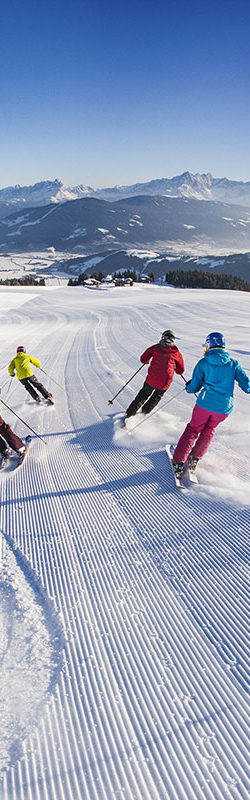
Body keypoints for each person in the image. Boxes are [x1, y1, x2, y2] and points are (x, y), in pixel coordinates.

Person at [172, 331, 250, 477]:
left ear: (209, 345)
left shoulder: (204, 363)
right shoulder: (233, 363)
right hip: (224, 408)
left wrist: (189, 388)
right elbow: (247, 385)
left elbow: (194, 386)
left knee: (193, 429)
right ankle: (195, 458)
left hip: (205, 405)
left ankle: (179, 461)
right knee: (209, 429)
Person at [122, 330, 184, 423]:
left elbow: (143, 359)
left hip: (151, 379)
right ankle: (144, 413)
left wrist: (147, 361)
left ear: (163, 337)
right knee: (156, 396)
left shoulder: (156, 347)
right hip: (165, 381)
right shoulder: (176, 352)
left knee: (143, 394)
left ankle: (130, 414)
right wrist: (175, 368)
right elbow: (180, 370)